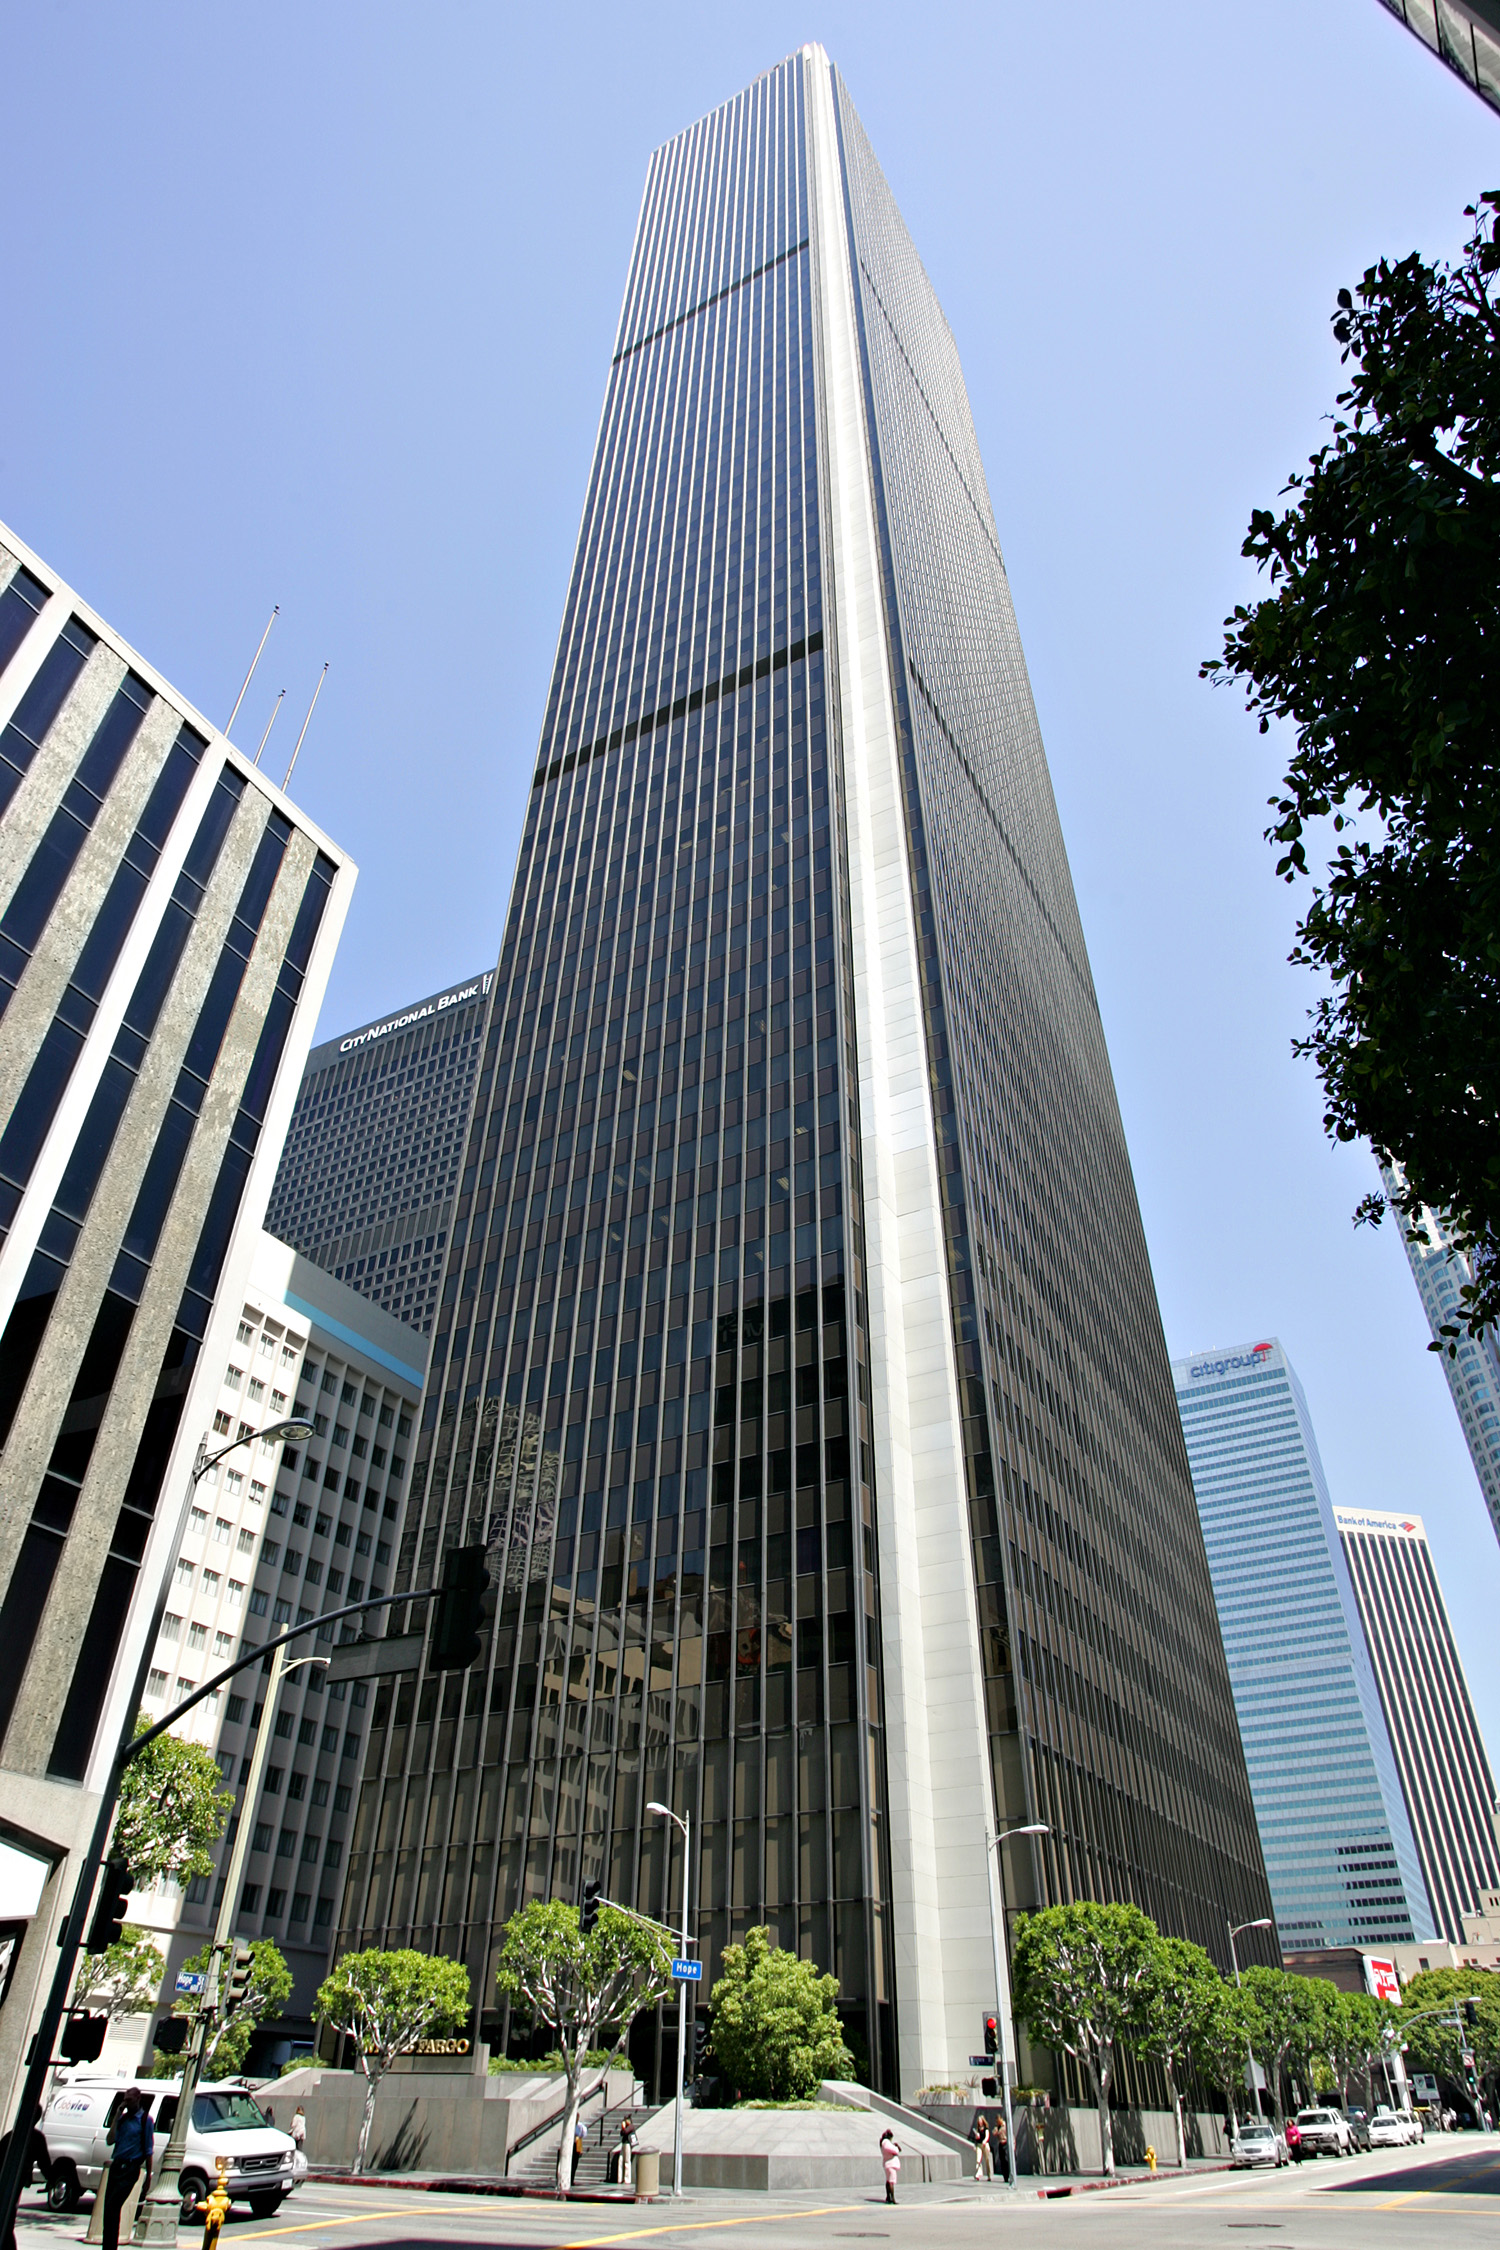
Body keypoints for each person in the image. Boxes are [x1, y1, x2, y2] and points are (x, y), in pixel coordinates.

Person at [102, 2092, 152, 2250]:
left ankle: (111, 2246)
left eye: (129, 2100)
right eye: (125, 2100)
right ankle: (108, 2245)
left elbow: (149, 2150)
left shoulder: (145, 2120)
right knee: (108, 2210)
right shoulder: (123, 2120)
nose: (127, 2103)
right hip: (117, 2165)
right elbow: (110, 2140)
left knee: (113, 2206)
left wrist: (148, 2178)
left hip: (130, 2167)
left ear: (138, 2099)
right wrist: (117, 2114)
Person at [880, 2127, 901, 2205]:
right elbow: (895, 2150)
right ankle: (892, 2198)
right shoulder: (886, 2142)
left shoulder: (883, 2143)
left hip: (887, 2164)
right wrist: (896, 2148)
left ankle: (888, 2197)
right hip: (890, 2164)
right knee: (891, 2181)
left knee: (888, 2181)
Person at [969, 2113, 992, 2181]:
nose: (979, 2121)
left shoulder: (986, 2128)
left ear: (983, 2121)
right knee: (978, 2159)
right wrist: (977, 2137)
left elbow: (987, 2136)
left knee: (987, 2160)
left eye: (980, 2120)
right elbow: (976, 2139)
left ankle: (989, 2175)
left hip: (984, 2144)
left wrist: (984, 2141)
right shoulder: (977, 2129)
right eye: (979, 2120)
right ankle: (978, 2173)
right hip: (979, 2145)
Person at [617, 2113, 636, 2190]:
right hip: (624, 2143)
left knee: (627, 2161)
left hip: (628, 2144)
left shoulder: (631, 2126)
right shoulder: (625, 2127)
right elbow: (621, 2133)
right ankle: (619, 2178)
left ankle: (627, 2179)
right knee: (620, 2160)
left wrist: (624, 2128)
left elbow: (625, 2132)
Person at [572, 2115, 588, 2184]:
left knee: (575, 2163)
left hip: (577, 2143)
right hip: (572, 2143)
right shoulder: (571, 2124)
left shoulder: (580, 2125)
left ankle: (572, 2179)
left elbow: (584, 2134)